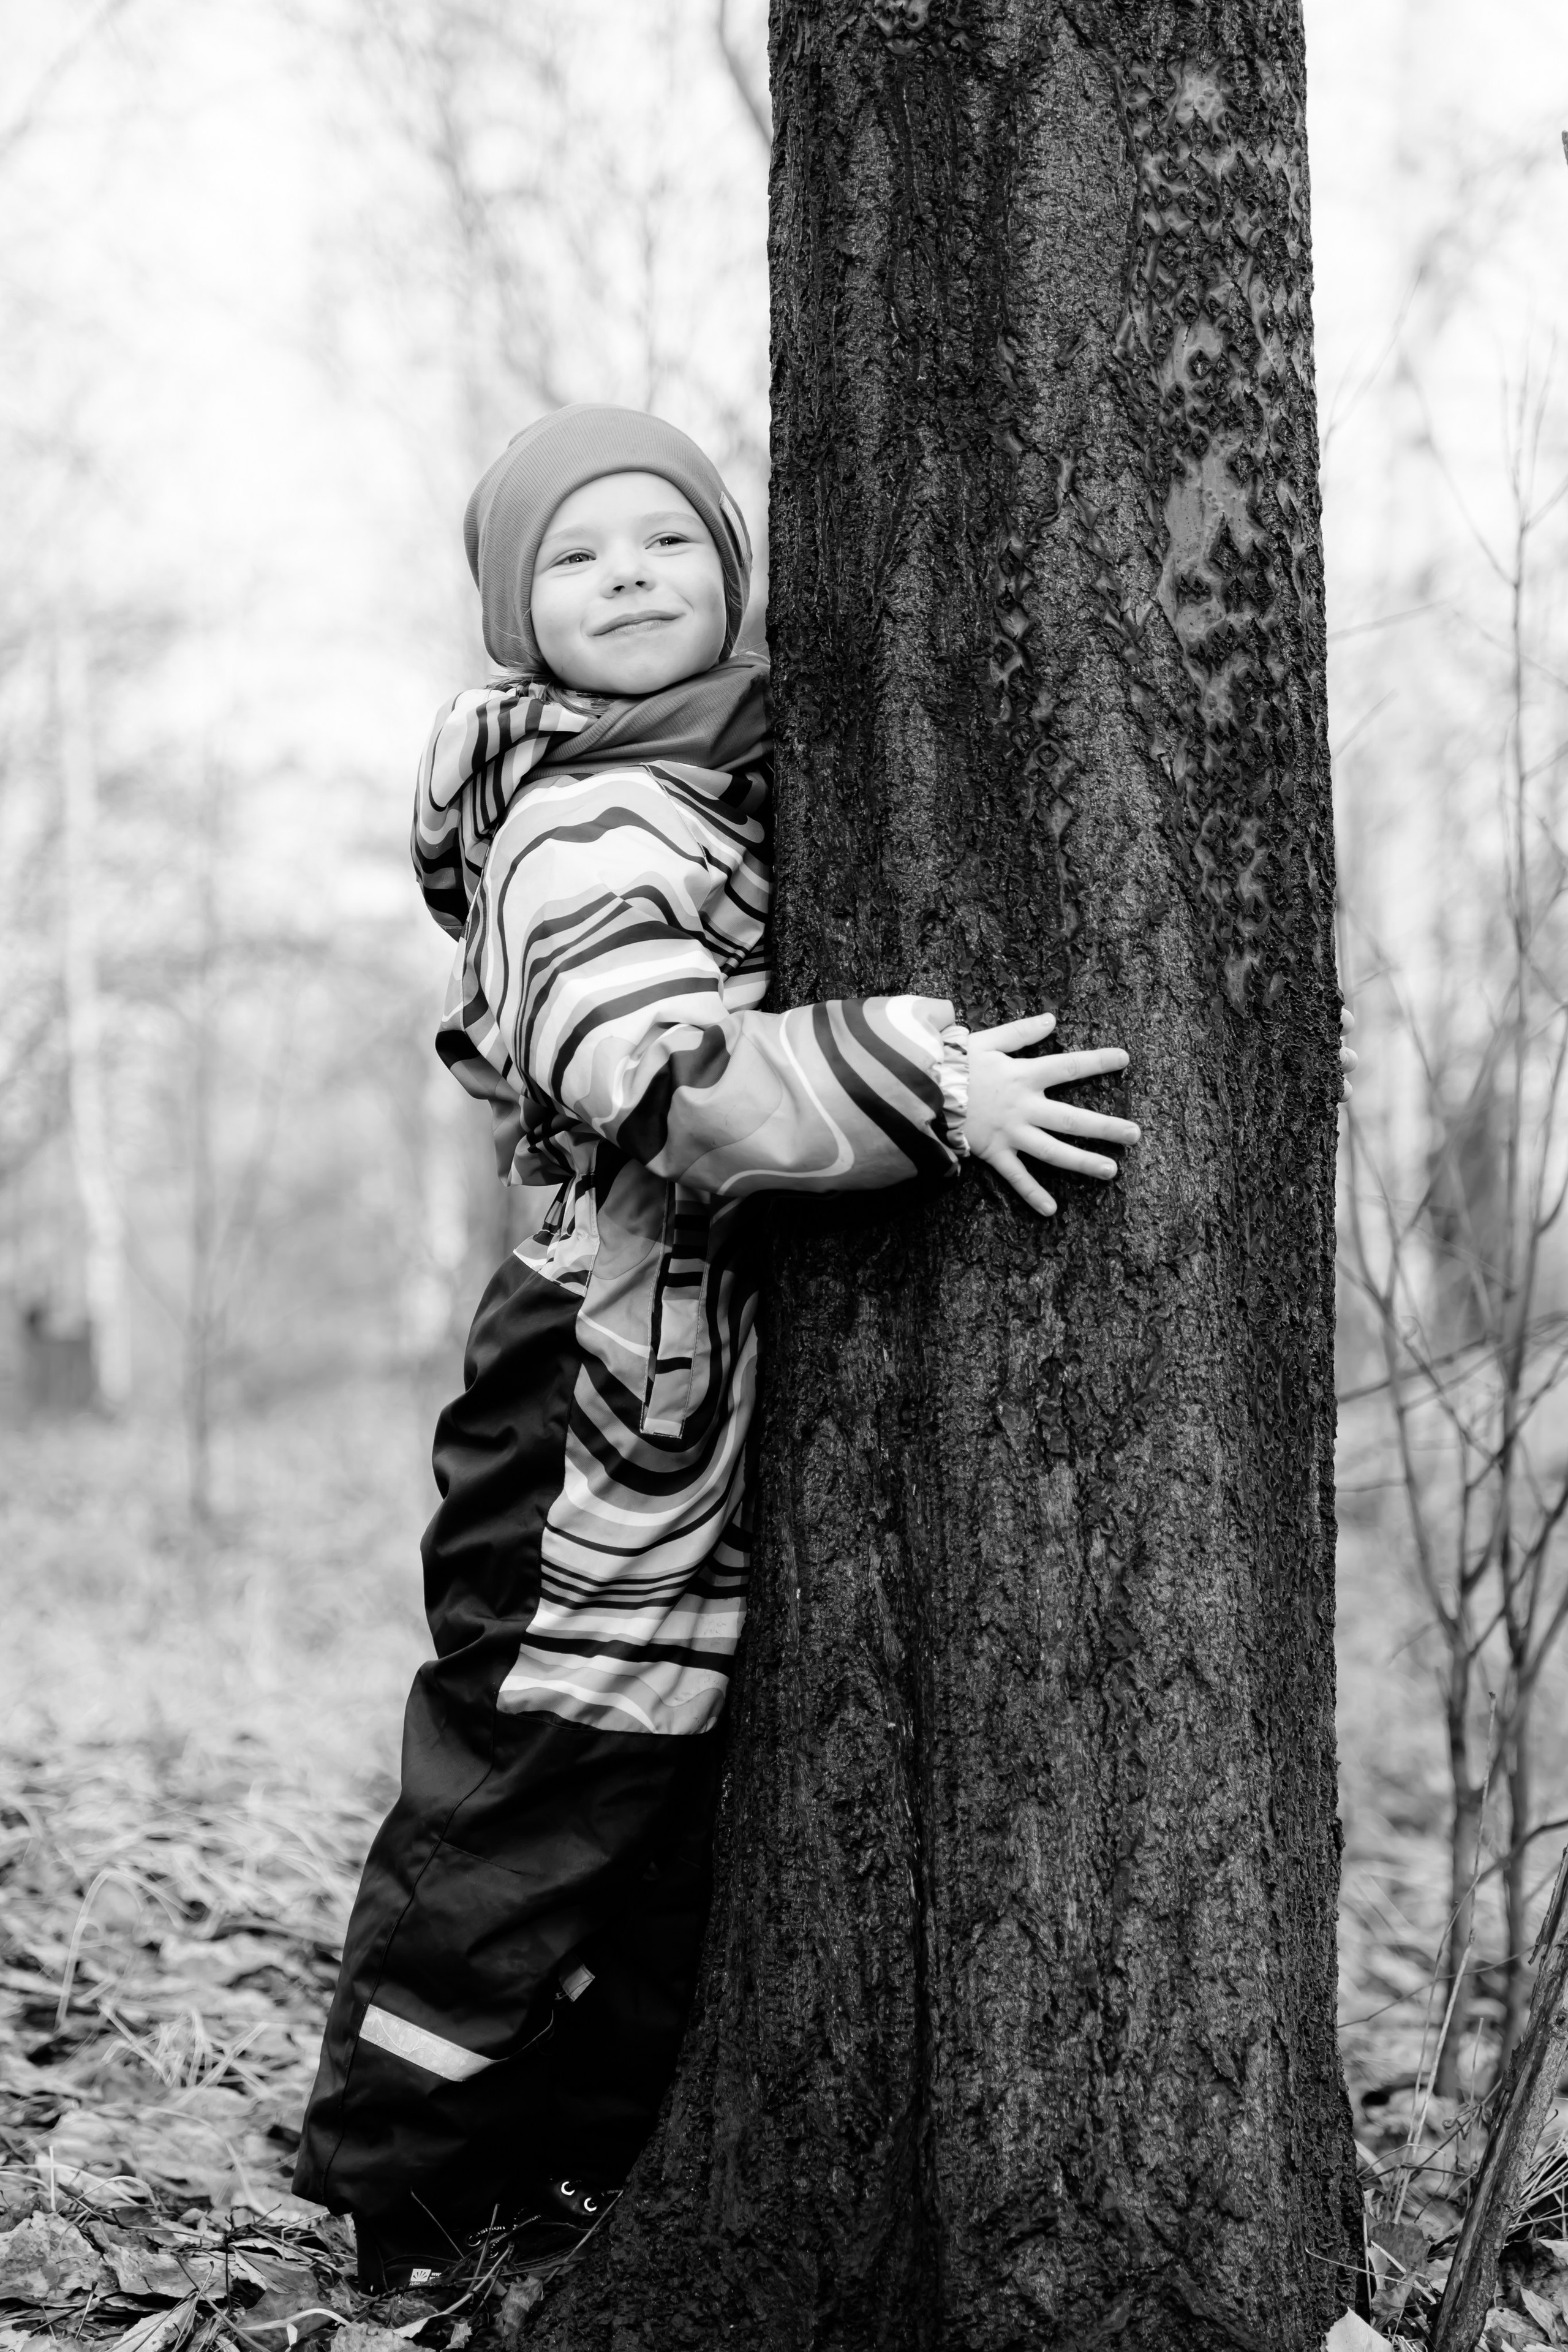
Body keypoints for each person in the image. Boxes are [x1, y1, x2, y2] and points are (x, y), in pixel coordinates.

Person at [293, 404, 1141, 2289]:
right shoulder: (578, 819)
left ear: (734, 576)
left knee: (668, 1812)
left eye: (666, 542)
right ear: (520, 615)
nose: (629, 578)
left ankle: (568, 2172)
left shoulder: (725, 770)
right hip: (578, 1395)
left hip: (662, 1379)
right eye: (577, 558)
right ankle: (394, 2185)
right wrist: (916, 1079)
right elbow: (660, 1075)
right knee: (532, 1780)